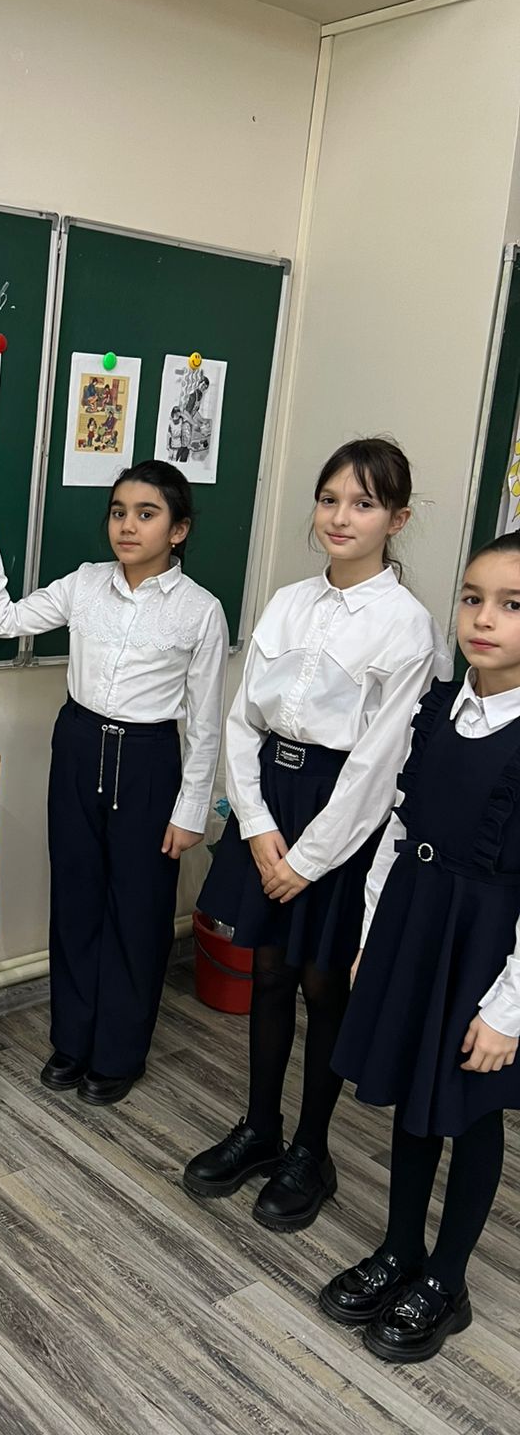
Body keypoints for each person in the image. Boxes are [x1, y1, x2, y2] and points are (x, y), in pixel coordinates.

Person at [182, 439, 450, 1231]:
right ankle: (260, 1127)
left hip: (342, 813)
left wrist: (310, 858)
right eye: (330, 499)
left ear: (397, 519)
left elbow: (380, 761)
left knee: (323, 982)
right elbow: (243, 719)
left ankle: (311, 1150)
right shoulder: (289, 601)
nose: (340, 517)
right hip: (273, 797)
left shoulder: (408, 627)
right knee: (267, 970)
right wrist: (258, 824)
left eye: (363, 504)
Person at [0, 460, 227, 1103]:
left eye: (146, 514)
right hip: (79, 744)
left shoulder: (200, 611)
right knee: (76, 898)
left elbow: (205, 720)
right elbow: (2, 621)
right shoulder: (84, 584)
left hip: (148, 758)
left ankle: (119, 1053)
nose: (127, 526)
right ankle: (72, 1042)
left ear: (178, 529)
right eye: (118, 512)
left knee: (138, 911)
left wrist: (191, 808)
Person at [318, 533, 520, 1362]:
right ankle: (400, 1248)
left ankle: (447, 1279)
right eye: (472, 599)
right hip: (414, 921)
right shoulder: (439, 709)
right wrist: (373, 941)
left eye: (511, 606)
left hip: (487, 949)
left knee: (468, 1110)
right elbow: (398, 834)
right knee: (411, 1091)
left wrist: (508, 1011)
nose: (484, 619)